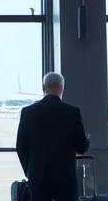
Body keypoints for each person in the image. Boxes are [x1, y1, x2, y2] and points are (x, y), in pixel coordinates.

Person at [15, 72, 90, 201]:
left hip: (38, 176)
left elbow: (20, 147)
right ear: (61, 88)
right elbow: (81, 147)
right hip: (65, 178)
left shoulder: (28, 112)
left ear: (44, 87)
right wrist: (87, 139)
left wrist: (30, 171)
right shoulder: (72, 112)